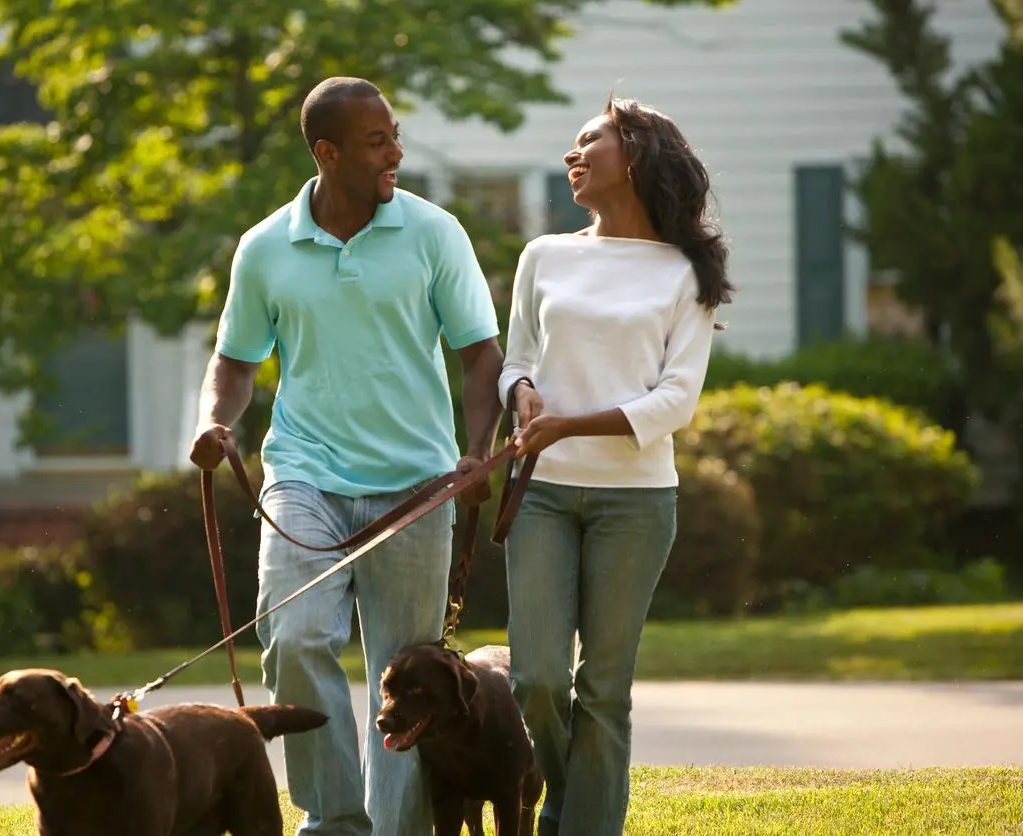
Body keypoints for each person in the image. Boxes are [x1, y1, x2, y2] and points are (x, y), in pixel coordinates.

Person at [189, 76, 504, 836]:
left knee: (410, 676)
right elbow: (235, 362)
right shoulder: (266, 247)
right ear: (326, 153)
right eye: (377, 141)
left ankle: (398, 831)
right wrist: (216, 422)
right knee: (294, 639)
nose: (397, 151)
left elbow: (481, 357)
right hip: (305, 473)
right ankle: (336, 823)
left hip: (417, 488)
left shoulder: (435, 234)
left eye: (394, 133)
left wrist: (476, 455)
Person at [497, 94, 735, 836]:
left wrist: (574, 422)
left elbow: (675, 402)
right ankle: (573, 800)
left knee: (602, 689)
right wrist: (526, 393)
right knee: (535, 679)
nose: (573, 155)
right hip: (541, 493)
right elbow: (516, 362)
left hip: (634, 503)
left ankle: (580, 825)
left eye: (588, 140)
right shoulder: (545, 255)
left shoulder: (684, 273)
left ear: (633, 153)